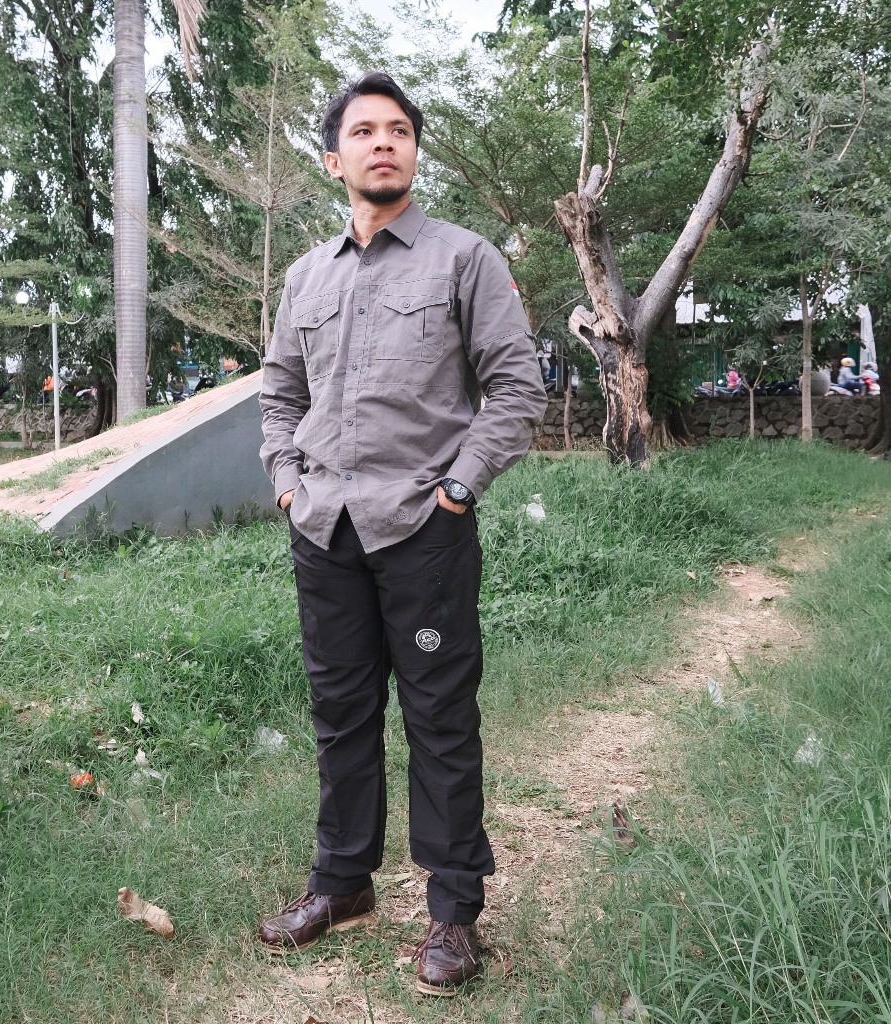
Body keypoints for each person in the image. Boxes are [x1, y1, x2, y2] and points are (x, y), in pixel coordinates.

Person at [259, 71, 547, 996]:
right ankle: (341, 884)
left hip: (423, 529)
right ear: (333, 158)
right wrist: (286, 483)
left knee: (439, 717)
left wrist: (459, 488)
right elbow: (280, 393)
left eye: (398, 131)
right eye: (363, 131)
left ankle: (454, 910)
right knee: (340, 714)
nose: (382, 142)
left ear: (415, 152)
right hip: (324, 530)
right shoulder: (305, 277)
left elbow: (517, 387)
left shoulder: (464, 259)